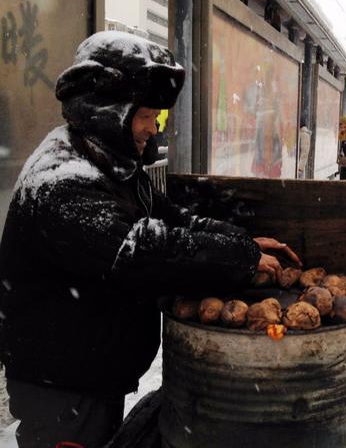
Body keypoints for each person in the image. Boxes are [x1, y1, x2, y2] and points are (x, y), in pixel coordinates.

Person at [0, 31, 301, 448]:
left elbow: (172, 219)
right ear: (108, 110)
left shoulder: (109, 164)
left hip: (90, 377)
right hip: (62, 391)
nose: (151, 129)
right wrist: (238, 258)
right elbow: (144, 252)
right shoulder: (63, 182)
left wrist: (243, 241)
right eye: (145, 116)